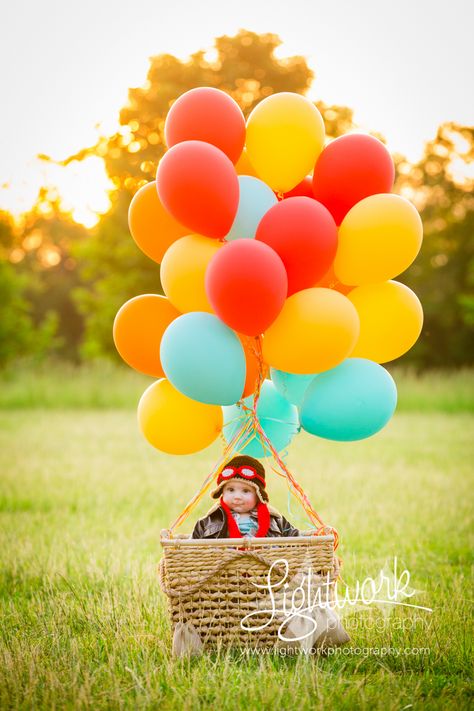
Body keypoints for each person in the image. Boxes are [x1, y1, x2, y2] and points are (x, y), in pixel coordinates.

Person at [191, 455, 300, 539]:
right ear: (222, 491)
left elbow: (295, 538)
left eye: (246, 491)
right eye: (231, 490)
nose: (237, 497)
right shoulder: (211, 519)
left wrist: (311, 539)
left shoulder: (274, 518)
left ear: (258, 495)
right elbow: (192, 547)